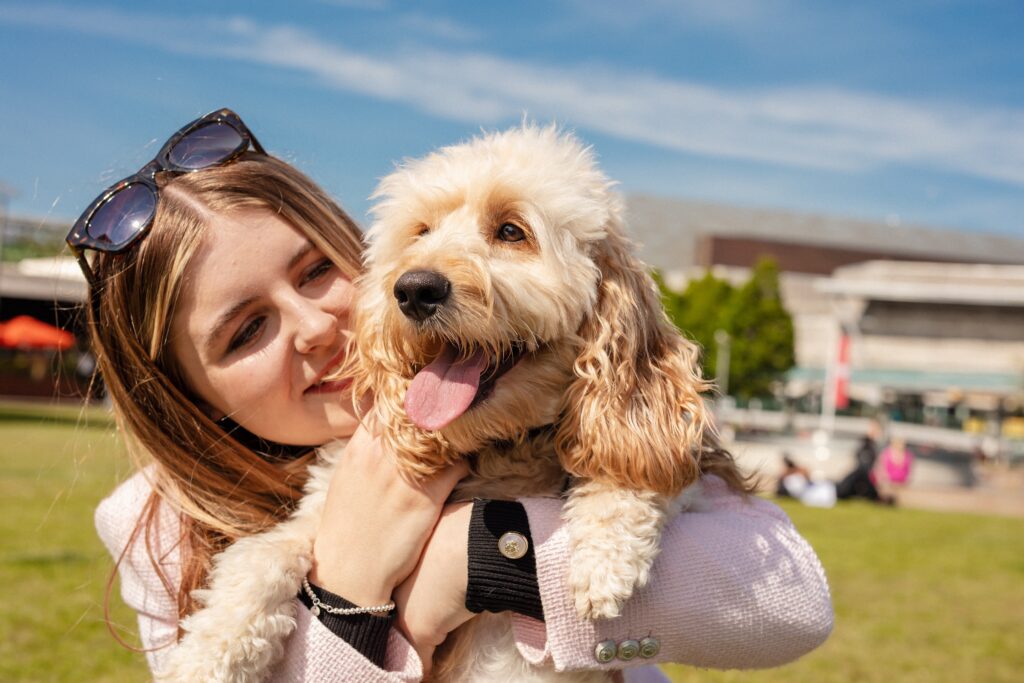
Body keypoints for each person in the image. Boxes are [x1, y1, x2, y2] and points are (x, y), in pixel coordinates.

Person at [78, 109, 832, 680]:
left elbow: (791, 603)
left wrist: (477, 558)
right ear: (189, 392)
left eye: (315, 272)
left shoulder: (566, 410)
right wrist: (350, 594)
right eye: (246, 331)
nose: (314, 326)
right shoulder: (158, 534)